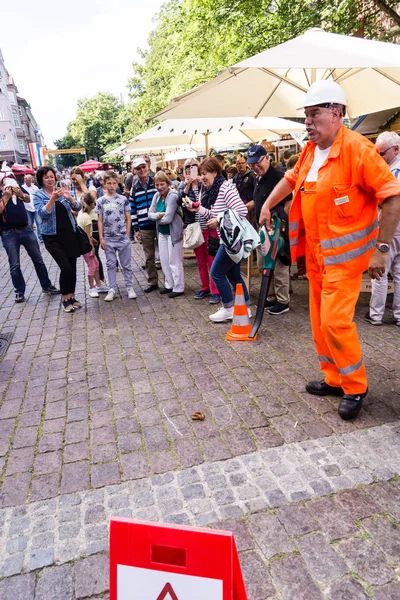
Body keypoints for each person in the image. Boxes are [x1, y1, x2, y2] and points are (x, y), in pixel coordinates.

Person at [259, 80, 400, 421]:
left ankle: (355, 386)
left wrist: (381, 249)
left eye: (314, 114)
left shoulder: (358, 150)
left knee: (335, 323)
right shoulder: (311, 151)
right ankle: (334, 378)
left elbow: (392, 196)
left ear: (337, 113)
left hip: (346, 261)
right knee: (320, 324)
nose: (307, 122)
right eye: (306, 115)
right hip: (318, 260)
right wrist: (267, 203)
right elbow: (292, 179)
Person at [191, 157, 250, 322]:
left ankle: (229, 308)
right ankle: (244, 308)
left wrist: (220, 220)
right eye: (201, 174)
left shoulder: (225, 188)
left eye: (205, 173)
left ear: (215, 172)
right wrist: (198, 208)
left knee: (216, 273)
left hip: (231, 240)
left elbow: (241, 210)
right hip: (229, 239)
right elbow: (214, 214)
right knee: (234, 276)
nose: (202, 177)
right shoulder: (216, 190)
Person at [0, 169, 59, 303]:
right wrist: (7, 196)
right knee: (14, 264)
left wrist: (20, 193)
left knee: (38, 259)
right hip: (8, 232)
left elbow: (27, 198)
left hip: (26, 229)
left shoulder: (13, 183)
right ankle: (19, 291)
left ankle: (46, 285)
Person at [247, 145, 292, 315]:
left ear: (267, 158)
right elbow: (258, 199)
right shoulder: (258, 177)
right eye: (251, 164)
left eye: (257, 163)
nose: (255, 167)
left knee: (279, 264)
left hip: (276, 227)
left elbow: (288, 204)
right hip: (262, 227)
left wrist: (280, 225)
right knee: (263, 263)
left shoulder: (279, 177)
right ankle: (270, 296)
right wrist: (249, 206)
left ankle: (283, 300)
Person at [33, 166, 82, 313]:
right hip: (52, 238)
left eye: (52, 176)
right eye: (46, 177)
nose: (50, 179)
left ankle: (72, 296)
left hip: (70, 234)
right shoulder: (38, 195)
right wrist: (53, 199)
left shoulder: (63, 190)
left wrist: (69, 198)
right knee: (65, 267)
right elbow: (42, 214)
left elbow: (78, 207)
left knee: (72, 268)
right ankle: (65, 298)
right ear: (41, 179)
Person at [365, 131, 400, 326]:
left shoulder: (392, 173)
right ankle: (399, 315)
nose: (379, 158)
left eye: (382, 153)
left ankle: (376, 314)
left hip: (391, 228)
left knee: (380, 271)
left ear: (396, 149)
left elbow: (388, 201)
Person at [96, 171, 137, 302]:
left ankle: (129, 286)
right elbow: (100, 220)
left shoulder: (123, 199)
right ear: (104, 183)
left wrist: (127, 234)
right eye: (109, 183)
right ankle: (112, 288)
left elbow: (128, 217)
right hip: (109, 238)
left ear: (117, 183)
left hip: (122, 237)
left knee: (126, 264)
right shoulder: (101, 201)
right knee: (111, 264)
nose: (112, 186)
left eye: (114, 183)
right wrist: (101, 238)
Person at [148, 172, 184, 297]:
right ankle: (169, 285)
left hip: (173, 232)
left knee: (174, 260)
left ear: (167, 183)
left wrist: (155, 217)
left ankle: (178, 287)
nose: (159, 187)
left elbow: (168, 218)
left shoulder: (172, 196)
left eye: (162, 184)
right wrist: (159, 215)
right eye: (157, 185)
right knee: (164, 260)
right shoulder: (156, 196)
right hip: (162, 232)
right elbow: (149, 213)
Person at [130, 157, 159, 292]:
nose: (141, 170)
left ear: (147, 167)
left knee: (165, 255)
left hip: (160, 223)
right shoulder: (134, 188)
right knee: (149, 257)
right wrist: (136, 228)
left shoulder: (156, 182)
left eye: (143, 167)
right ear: (135, 171)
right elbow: (133, 210)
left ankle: (170, 282)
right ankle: (153, 281)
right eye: (138, 168)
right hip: (144, 225)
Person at [77, 193, 107, 298]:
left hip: (83, 244)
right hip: (86, 247)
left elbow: (86, 234)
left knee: (96, 264)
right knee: (92, 266)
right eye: (93, 204)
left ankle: (98, 284)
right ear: (89, 204)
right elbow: (87, 236)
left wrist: (92, 240)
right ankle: (92, 287)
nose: (95, 206)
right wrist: (92, 247)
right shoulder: (87, 218)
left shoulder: (80, 213)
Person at [233, 156, 257, 226]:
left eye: (243, 163)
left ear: (246, 164)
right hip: (240, 207)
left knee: (252, 226)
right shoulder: (235, 178)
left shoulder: (252, 176)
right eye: (239, 163)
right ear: (236, 165)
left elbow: (256, 190)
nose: (241, 165)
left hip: (251, 207)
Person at [23, 174, 42, 242]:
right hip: (27, 207)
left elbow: (39, 196)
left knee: (39, 222)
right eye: (26, 179)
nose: (27, 181)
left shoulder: (35, 187)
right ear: (24, 180)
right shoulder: (22, 188)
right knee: (30, 223)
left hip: (35, 207)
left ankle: (40, 237)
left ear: (31, 180)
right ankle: (31, 238)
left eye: (29, 179)